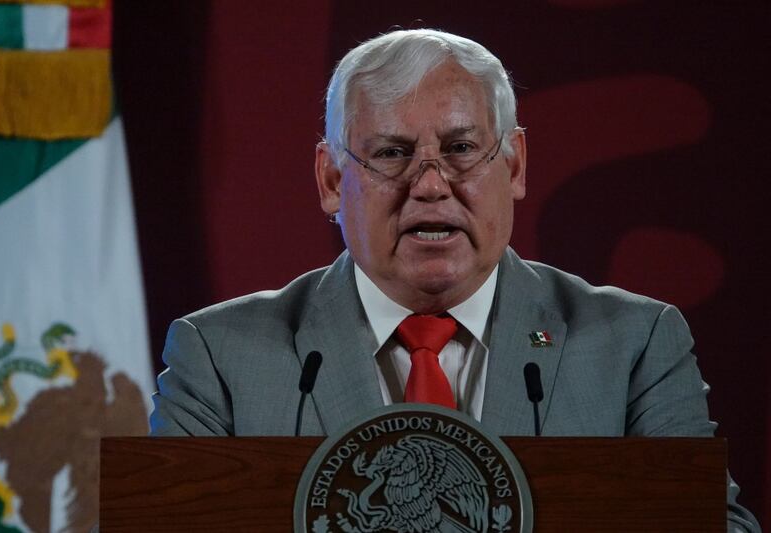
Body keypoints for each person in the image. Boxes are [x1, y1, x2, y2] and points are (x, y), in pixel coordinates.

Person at [149, 29, 759, 531]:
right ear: (332, 180)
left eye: (461, 147)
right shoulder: (222, 357)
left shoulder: (634, 344)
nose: (431, 184)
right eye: (391, 153)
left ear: (514, 164)